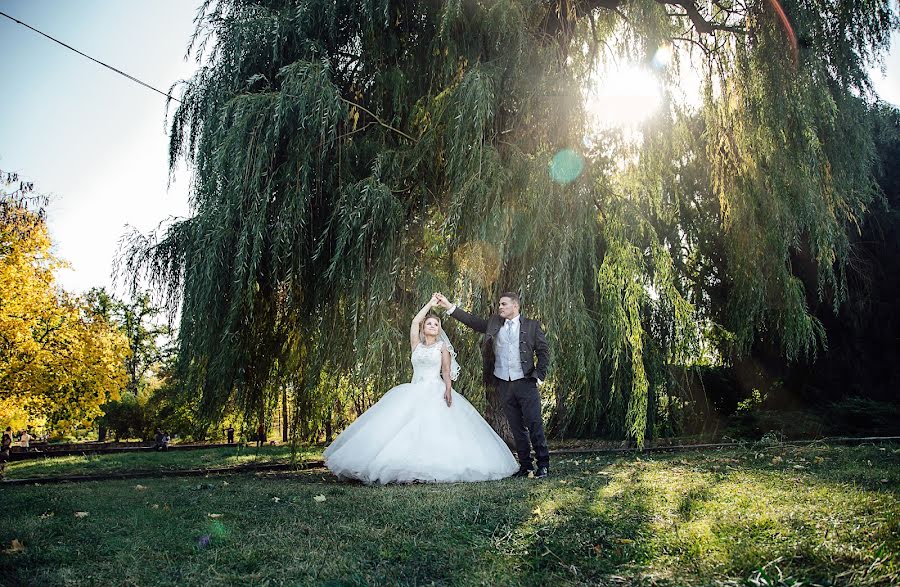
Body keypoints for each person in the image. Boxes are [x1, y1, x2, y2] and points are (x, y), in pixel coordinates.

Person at [323, 295, 519, 484]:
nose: (433, 326)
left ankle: (431, 466)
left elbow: (446, 370)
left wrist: (449, 390)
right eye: (429, 324)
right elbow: (415, 321)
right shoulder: (416, 344)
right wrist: (430, 304)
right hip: (414, 390)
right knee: (404, 428)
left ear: (439, 329)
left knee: (434, 429)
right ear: (424, 329)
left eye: (436, 324)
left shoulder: (442, 347)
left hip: (436, 389)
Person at [435, 291, 551, 479]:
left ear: (515, 306)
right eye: (499, 304)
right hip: (504, 383)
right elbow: (472, 321)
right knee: (516, 427)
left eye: (504, 304)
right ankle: (526, 466)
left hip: (526, 382)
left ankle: (543, 465)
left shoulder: (532, 326)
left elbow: (544, 352)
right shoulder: (495, 323)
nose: (500, 307)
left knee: (535, 423)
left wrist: (538, 376)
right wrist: (448, 306)